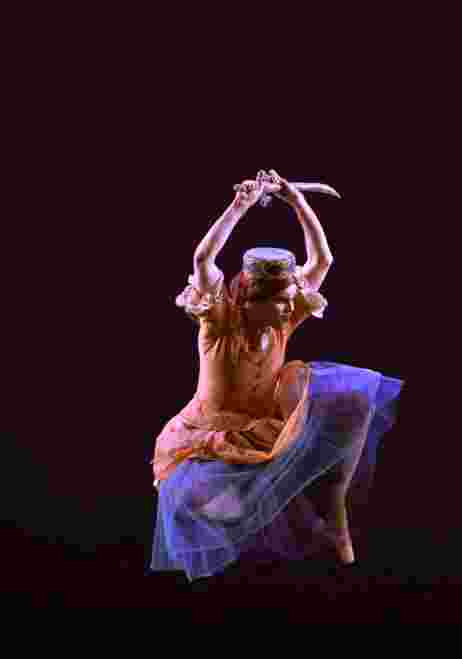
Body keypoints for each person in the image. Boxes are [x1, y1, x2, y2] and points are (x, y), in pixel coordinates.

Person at [150, 170, 403, 581]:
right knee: (221, 510)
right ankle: (285, 510)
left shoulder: (280, 323)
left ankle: (333, 502)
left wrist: (295, 201)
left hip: (268, 419)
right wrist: (241, 206)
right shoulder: (219, 324)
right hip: (211, 430)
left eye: (290, 300)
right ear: (252, 299)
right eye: (282, 301)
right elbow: (202, 260)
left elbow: (323, 260)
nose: (291, 309)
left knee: (356, 396)